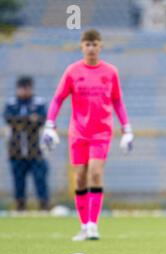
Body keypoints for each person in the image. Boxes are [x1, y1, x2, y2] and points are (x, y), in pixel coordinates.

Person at [42, 29, 134, 241]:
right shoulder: (73, 71)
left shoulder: (110, 72)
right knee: (80, 177)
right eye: (87, 44)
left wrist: (127, 129)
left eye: (95, 44)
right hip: (78, 133)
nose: (91, 48)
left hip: (101, 132)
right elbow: (58, 99)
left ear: (101, 46)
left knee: (95, 173)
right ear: (82, 47)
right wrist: (49, 125)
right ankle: (84, 225)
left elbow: (117, 101)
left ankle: (93, 225)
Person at [3, 76, 49, 211]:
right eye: (22, 88)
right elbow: (9, 119)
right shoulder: (11, 103)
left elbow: (41, 119)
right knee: (18, 180)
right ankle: (20, 206)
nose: (24, 91)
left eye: (27, 88)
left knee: (40, 179)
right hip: (16, 149)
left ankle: (44, 205)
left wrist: (22, 121)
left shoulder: (38, 103)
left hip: (36, 150)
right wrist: (29, 119)